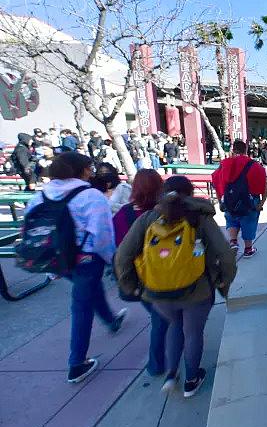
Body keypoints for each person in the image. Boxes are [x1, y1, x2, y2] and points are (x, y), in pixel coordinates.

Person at [115, 175, 237, 397]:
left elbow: (123, 255)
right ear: (190, 194)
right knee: (193, 333)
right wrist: (223, 280)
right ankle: (191, 379)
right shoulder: (200, 218)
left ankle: (171, 375)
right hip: (197, 290)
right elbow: (225, 254)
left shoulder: (149, 218)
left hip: (158, 292)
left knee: (173, 326)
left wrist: (133, 286)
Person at [25, 152, 126, 383]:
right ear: (81, 171)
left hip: (57, 258)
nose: (91, 172)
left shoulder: (42, 195)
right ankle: (77, 363)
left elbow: (33, 224)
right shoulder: (91, 196)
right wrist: (113, 261)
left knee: (88, 291)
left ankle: (111, 320)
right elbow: (102, 235)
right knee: (81, 305)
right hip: (86, 258)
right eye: (88, 168)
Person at [113, 169, 168, 376]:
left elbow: (117, 250)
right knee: (161, 319)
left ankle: (161, 359)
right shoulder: (164, 212)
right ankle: (156, 364)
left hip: (138, 279)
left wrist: (128, 283)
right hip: (162, 275)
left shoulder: (122, 215)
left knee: (160, 316)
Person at [212, 139, 267, 257]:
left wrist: (220, 199)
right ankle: (248, 249)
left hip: (229, 200)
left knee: (231, 219)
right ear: (246, 150)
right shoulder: (254, 165)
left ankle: (233, 242)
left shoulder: (225, 164)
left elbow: (216, 181)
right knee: (249, 222)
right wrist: (262, 202)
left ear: (233, 150)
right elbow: (264, 183)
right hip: (250, 200)